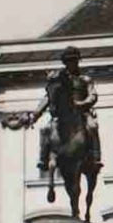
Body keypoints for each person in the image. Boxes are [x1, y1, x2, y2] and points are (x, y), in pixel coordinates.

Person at [34, 45, 102, 175]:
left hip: (81, 112)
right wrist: (36, 113)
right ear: (65, 63)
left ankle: (96, 157)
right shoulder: (59, 80)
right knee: (48, 129)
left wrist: (81, 103)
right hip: (63, 114)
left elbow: (93, 96)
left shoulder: (85, 80)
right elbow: (49, 97)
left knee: (92, 126)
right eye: (69, 61)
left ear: (77, 61)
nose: (72, 63)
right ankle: (43, 159)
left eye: (74, 60)